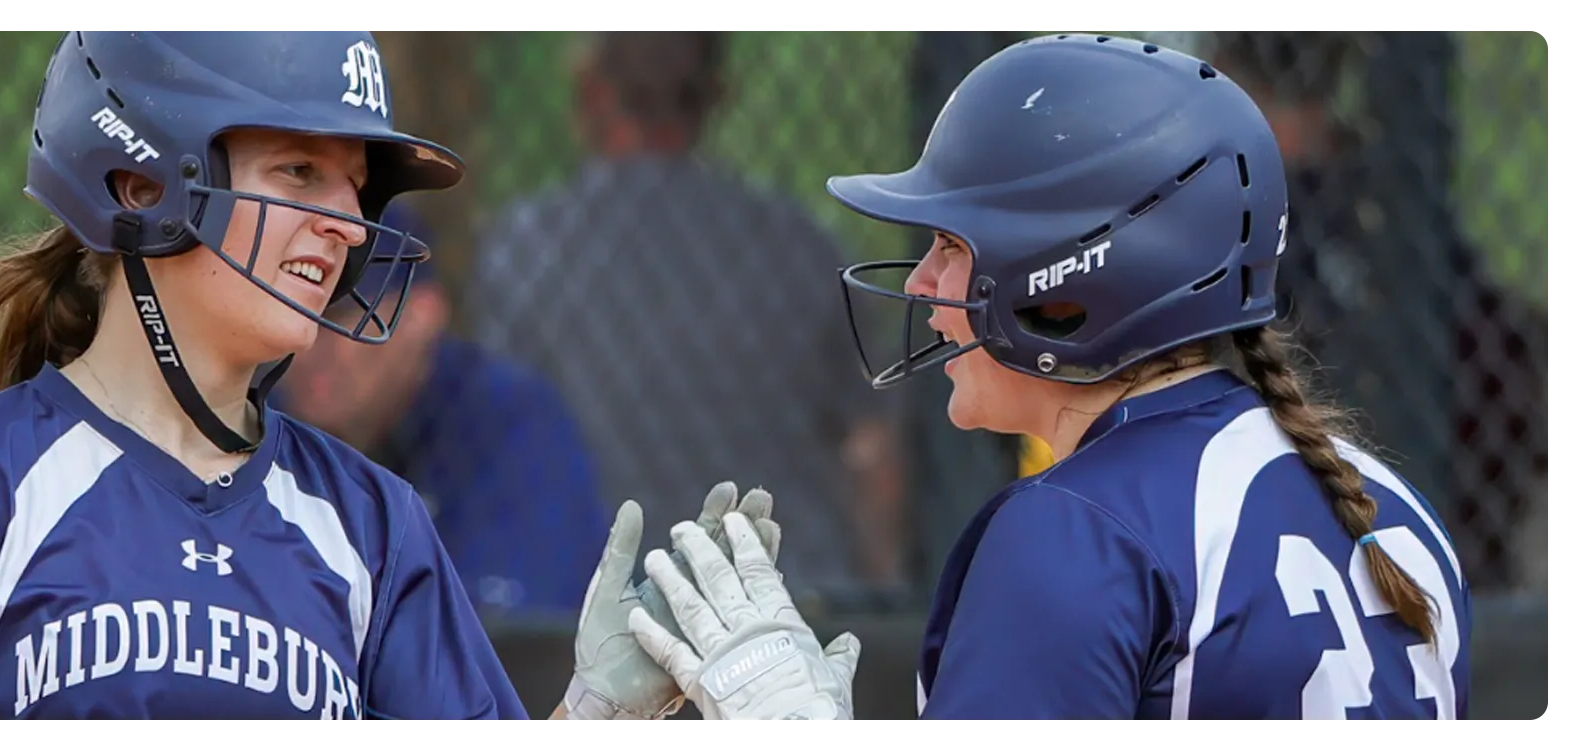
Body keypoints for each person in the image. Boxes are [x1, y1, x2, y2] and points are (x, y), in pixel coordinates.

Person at [0, 27, 773, 721]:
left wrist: (591, 716)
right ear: (138, 181)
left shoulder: (372, 526)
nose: (345, 224)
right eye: (299, 171)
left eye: (354, 185)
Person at [623, 33, 1472, 720]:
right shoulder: (1390, 507)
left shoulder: (1077, 535)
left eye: (952, 245)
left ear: (1067, 279)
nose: (921, 284)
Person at [470, 26, 909, 602]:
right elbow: (871, 452)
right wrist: (888, 590)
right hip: (783, 599)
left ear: (592, 91)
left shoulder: (524, 249)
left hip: (597, 606)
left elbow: (495, 448)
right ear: (718, 95)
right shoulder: (802, 245)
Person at [276, 203, 611, 618]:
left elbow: (517, 634)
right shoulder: (251, 415)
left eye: (341, 316)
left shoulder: (505, 420)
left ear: (422, 313)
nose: (309, 342)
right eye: (292, 308)